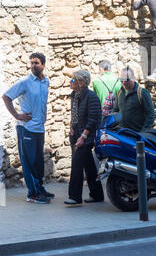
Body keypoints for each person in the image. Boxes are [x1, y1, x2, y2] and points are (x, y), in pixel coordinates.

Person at [2, 53, 53, 204]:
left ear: (43, 64)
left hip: (39, 128)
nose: (33, 66)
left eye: (36, 63)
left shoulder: (46, 82)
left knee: (38, 162)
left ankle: (40, 188)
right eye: (31, 63)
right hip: (27, 128)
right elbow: (6, 97)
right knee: (29, 162)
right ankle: (33, 194)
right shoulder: (24, 82)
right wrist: (17, 115)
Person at [65, 70, 104, 206]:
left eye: (73, 80)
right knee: (89, 166)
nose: (70, 82)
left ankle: (75, 197)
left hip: (86, 136)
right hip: (76, 135)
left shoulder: (91, 97)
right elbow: (74, 116)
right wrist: (71, 128)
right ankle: (97, 194)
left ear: (81, 83)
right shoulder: (75, 96)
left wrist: (83, 136)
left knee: (76, 165)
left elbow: (93, 119)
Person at [113, 67, 155, 132]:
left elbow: (150, 115)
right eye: (121, 79)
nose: (123, 82)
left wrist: (143, 132)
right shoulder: (119, 92)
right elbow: (115, 111)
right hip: (121, 134)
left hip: (136, 135)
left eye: (127, 79)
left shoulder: (142, 93)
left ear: (133, 78)